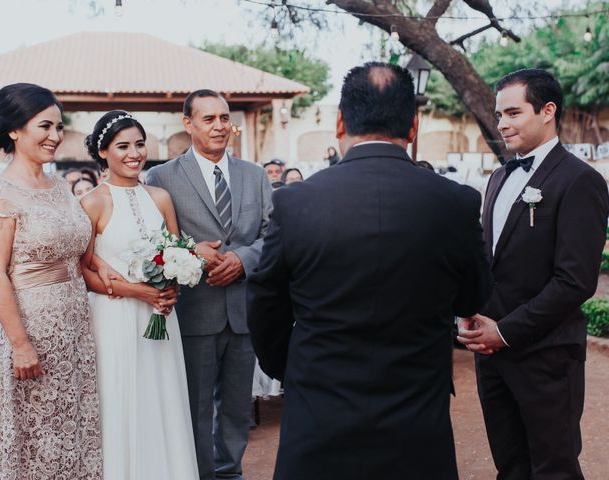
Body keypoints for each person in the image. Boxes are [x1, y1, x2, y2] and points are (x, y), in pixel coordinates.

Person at [247, 62, 492, 480]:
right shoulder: (456, 203)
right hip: (416, 412)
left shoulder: (296, 202)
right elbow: (473, 297)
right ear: (413, 127)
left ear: (340, 122)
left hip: (319, 409)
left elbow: (265, 303)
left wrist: (295, 368)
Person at [457, 69, 609, 480]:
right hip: (491, 360)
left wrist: (505, 331)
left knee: (553, 470)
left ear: (547, 111)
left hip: (546, 359)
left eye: (512, 113)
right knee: (511, 467)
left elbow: (575, 281)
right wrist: (471, 314)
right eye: (498, 114)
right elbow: (490, 262)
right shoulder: (498, 178)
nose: (502, 124)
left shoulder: (581, 181)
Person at [0, 82, 102, 478]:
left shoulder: (61, 187)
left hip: (76, 327)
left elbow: (80, 250)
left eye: (59, 127)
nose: (55, 136)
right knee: (34, 439)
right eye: (45, 127)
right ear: (14, 130)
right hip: (28, 330)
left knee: (75, 432)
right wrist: (20, 345)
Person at [146, 89, 272, 480]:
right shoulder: (162, 177)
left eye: (224, 118)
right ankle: (199, 474)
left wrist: (242, 259)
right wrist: (190, 250)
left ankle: (230, 472)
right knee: (195, 407)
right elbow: (153, 242)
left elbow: (272, 234)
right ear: (188, 124)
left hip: (243, 311)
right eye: (208, 119)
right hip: (194, 309)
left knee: (236, 406)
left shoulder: (255, 175)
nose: (220, 126)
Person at [80, 110, 199, 480]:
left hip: (161, 316)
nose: (134, 153)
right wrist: (138, 291)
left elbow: (176, 252)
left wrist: (173, 282)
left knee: (163, 399)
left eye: (139, 144)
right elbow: (83, 270)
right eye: (123, 146)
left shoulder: (161, 197)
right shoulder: (92, 202)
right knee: (122, 399)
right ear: (103, 152)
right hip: (114, 319)